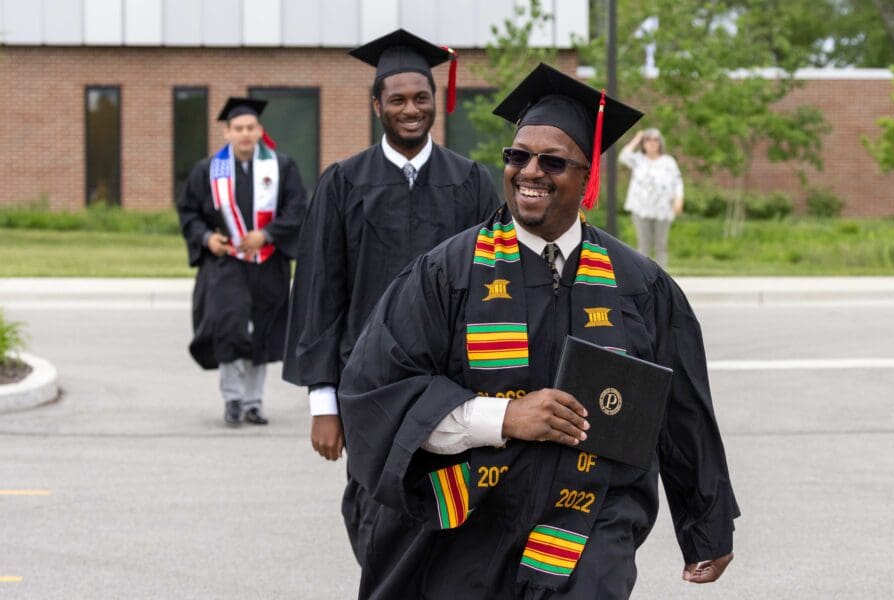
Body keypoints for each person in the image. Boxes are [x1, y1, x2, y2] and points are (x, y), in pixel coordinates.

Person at [338, 63, 739, 599]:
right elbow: (377, 389)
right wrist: (504, 416)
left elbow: (682, 407)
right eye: (517, 156)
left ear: (586, 176)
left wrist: (706, 524)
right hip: (470, 515)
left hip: (592, 517)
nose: (530, 171)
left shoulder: (639, 285)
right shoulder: (447, 273)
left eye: (553, 161)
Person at [282, 29, 500, 460]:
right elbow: (320, 292)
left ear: (436, 100)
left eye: (421, 98)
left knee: (450, 513)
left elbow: (496, 284)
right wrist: (323, 404)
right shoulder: (344, 182)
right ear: (377, 106)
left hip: (454, 381)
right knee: (372, 511)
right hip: (366, 380)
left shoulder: (470, 181)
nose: (411, 109)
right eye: (397, 100)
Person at [177, 97, 307, 426]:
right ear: (227, 132)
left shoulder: (282, 167)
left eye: (250, 128)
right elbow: (188, 211)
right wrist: (208, 239)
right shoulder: (208, 170)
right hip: (226, 262)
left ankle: (254, 403)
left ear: (260, 131)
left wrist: (268, 234)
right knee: (228, 327)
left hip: (267, 260)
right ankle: (232, 399)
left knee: (261, 331)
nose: (245, 134)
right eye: (238, 128)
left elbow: (297, 207)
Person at [619, 128, 684, 269]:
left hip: (663, 209)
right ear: (643, 143)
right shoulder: (638, 160)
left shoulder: (668, 162)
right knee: (644, 245)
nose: (652, 143)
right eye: (648, 140)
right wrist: (637, 138)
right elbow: (623, 156)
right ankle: (644, 278)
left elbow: (677, 181)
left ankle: (662, 278)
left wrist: (678, 199)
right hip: (641, 208)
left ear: (660, 143)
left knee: (661, 245)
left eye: (655, 140)